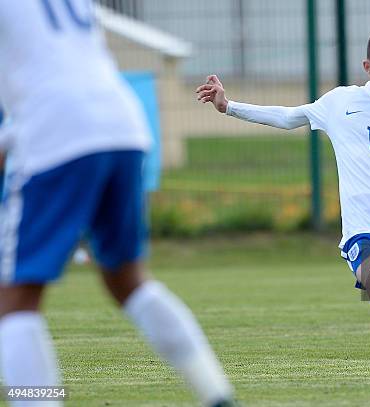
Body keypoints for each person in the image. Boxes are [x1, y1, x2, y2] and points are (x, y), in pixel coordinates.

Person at [197, 27, 370, 384]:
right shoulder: (340, 103)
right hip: (365, 230)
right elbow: (288, 118)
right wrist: (228, 107)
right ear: (368, 67)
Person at [0, 2, 235, 406]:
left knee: (14, 300)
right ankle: (218, 395)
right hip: (121, 123)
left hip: (57, 130)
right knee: (127, 280)